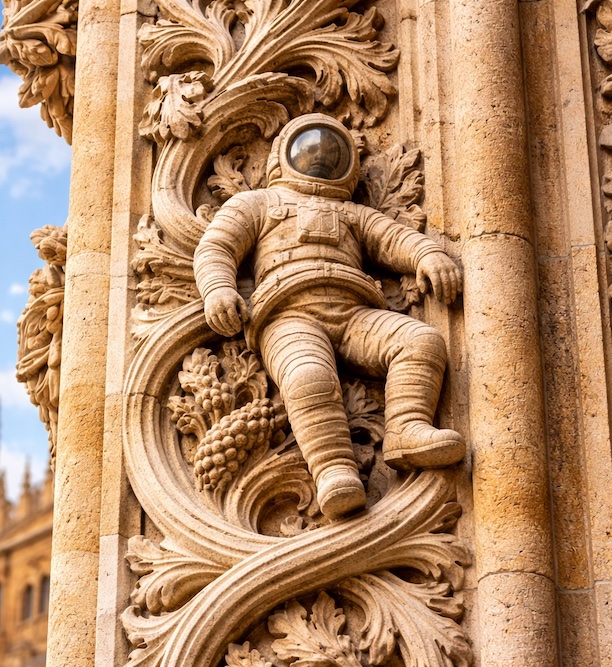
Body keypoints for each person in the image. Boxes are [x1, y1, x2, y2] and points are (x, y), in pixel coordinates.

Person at [194, 114, 465, 520]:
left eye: (329, 151)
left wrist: (428, 255)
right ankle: (333, 469)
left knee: (420, 342)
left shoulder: (353, 214)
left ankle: (406, 428)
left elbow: (394, 240)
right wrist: (218, 289)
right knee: (308, 377)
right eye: (310, 148)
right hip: (288, 316)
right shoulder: (258, 203)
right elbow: (216, 248)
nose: (319, 158)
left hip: (355, 314)